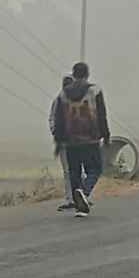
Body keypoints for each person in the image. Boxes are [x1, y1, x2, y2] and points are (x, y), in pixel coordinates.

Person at [51, 62, 110, 217]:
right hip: (90, 138)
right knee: (96, 169)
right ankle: (83, 193)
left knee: (74, 172)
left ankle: (80, 207)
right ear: (87, 74)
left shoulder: (63, 94)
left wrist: (58, 141)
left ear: (74, 74)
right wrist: (106, 135)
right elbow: (101, 114)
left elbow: (59, 119)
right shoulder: (94, 91)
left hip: (70, 140)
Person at [50, 75, 77, 212]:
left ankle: (78, 197)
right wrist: (57, 135)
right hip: (66, 142)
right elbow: (53, 120)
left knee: (76, 170)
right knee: (68, 171)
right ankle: (71, 199)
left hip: (77, 142)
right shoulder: (59, 100)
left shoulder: (77, 100)